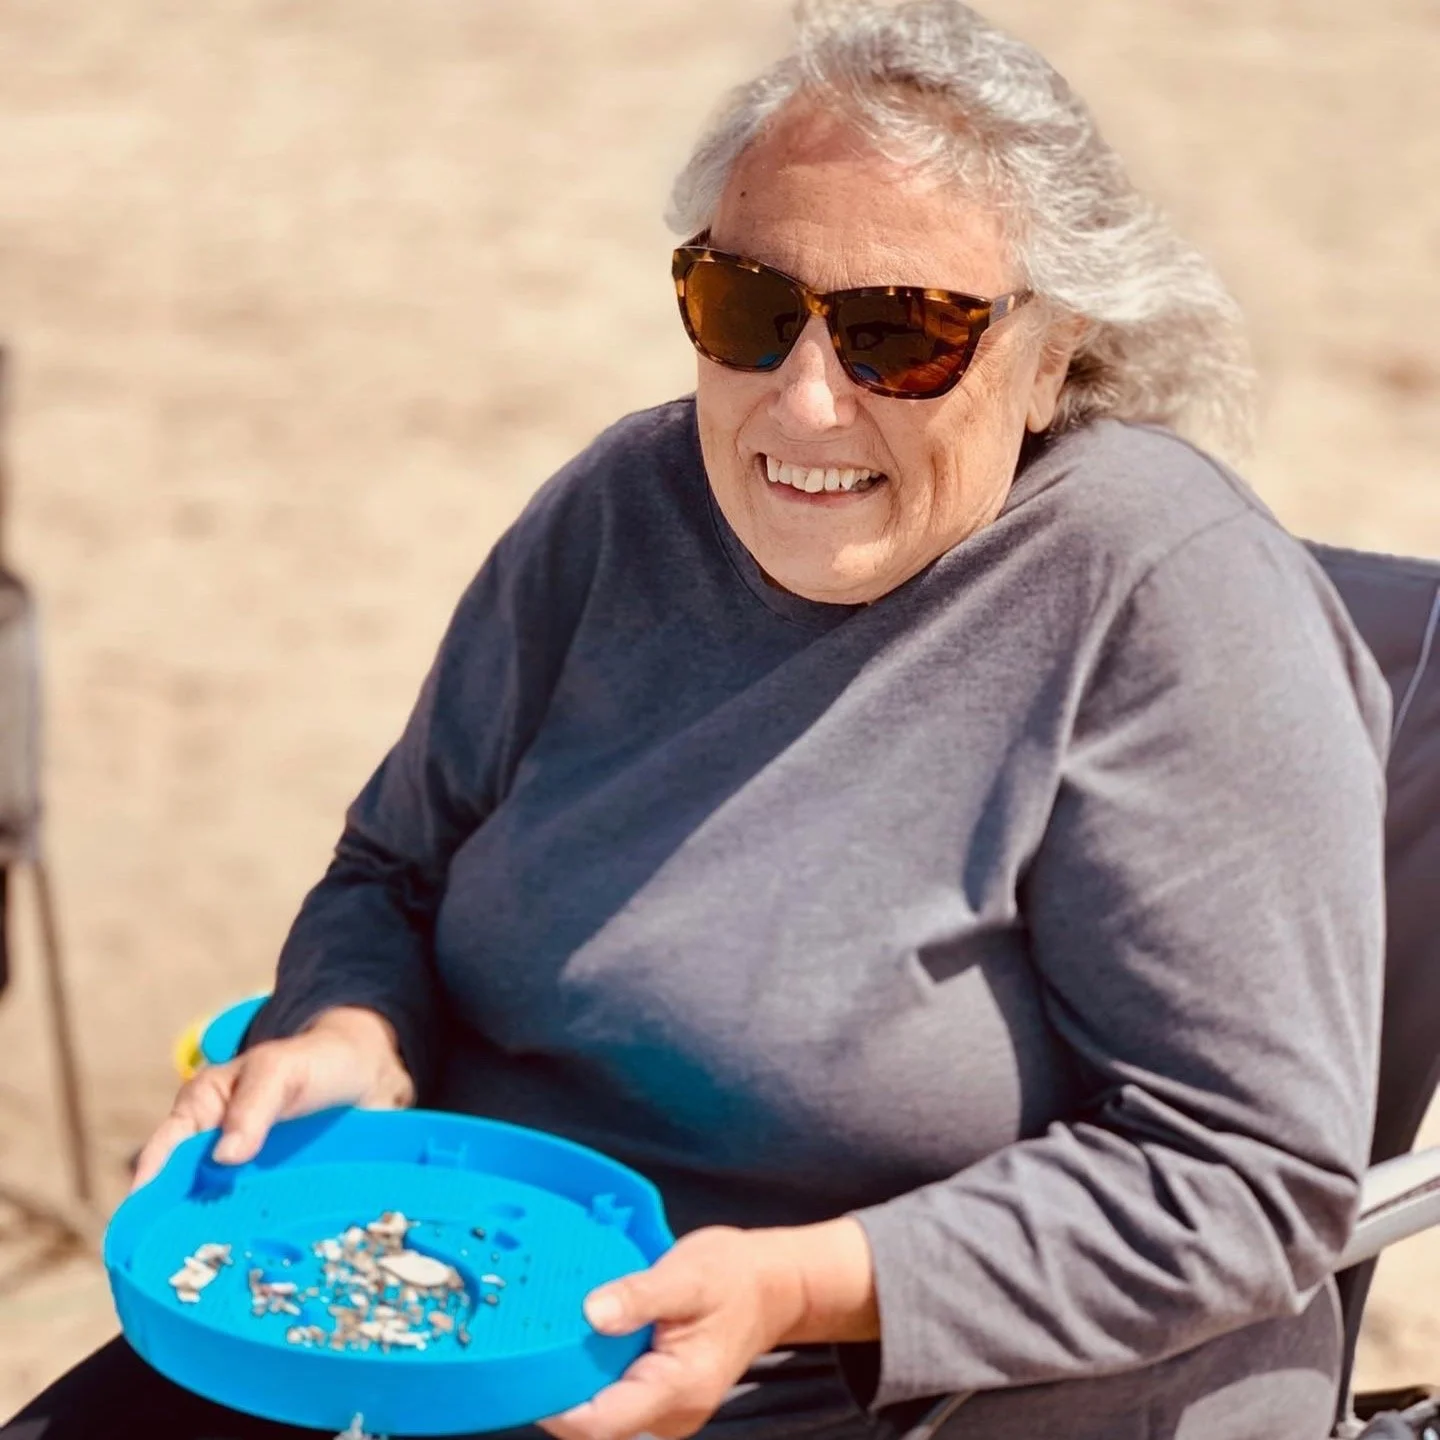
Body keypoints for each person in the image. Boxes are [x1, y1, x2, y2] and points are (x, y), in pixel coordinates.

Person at [5, 2, 1390, 1438]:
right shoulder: (628, 506)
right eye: (748, 309)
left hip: (868, 1388)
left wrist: (799, 1287)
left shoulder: (1165, 597)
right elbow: (393, 872)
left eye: (900, 337)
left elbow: (1240, 1176)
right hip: (431, 1301)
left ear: (1052, 355)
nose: (802, 400)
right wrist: (352, 1027)